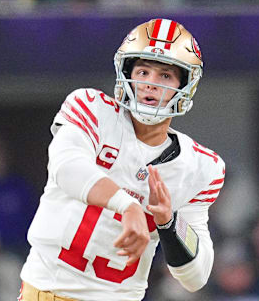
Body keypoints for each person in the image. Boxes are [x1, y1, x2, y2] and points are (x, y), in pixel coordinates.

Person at [19, 18, 225, 301]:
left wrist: (168, 221)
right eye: (143, 71)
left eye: (165, 76)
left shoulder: (201, 167)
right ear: (126, 73)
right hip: (47, 292)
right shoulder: (90, 108)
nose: (151, 84)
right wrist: (127, 205)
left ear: (185, 85)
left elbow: (196, 277)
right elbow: (66, 168)